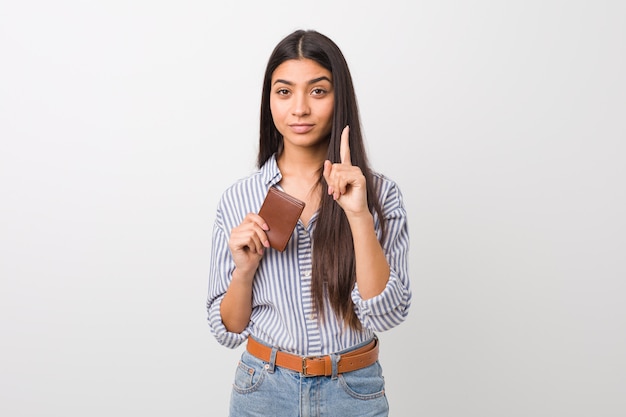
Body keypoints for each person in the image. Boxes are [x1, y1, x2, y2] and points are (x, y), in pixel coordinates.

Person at [206, 29, 411, 417]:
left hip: (352, 391)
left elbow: (388, 314)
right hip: (262, 390)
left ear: (339, 99)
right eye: (284, 92)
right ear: (269, 101)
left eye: (317, 91)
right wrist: (244, 271)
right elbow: (227, 330)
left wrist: (358, 215)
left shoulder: (380, 195)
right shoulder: (239, 199)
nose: (299, 108)